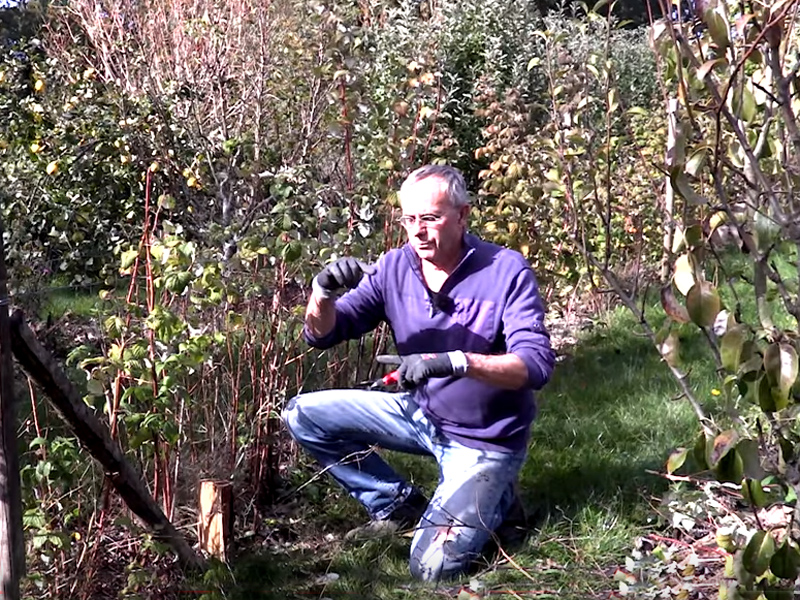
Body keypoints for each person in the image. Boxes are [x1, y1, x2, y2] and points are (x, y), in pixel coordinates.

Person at [282, 164, 555, 582]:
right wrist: (322, 292)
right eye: (410, 219)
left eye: (431, 218)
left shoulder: (505, 270)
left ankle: (500, 504)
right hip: (421, 415)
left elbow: (534, 366)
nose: (418, 231)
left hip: (484, 440)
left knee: (430, 568)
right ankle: (395, 504)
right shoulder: (395, 268)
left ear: (462, 215)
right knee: (302, 415)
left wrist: (453, 362)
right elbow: (322, 334)